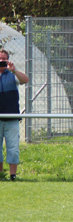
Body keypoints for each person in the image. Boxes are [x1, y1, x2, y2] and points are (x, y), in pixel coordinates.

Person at [0, 49, 29, 181]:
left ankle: (13, 175)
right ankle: (1, 174)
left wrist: (14, 70)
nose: (1, 61)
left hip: (11, 118)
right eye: (0, 59)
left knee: (13, 148)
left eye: (4, 59)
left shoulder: (12, 74)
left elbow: (25, 80)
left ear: (8, 60)